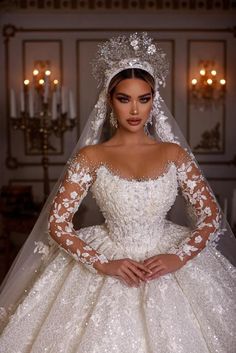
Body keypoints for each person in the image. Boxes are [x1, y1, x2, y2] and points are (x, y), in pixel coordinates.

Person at [0, 32, 235, 352]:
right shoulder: (91, 157)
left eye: (144, 98)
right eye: (124, 98)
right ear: (110, 100)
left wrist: (178, 258)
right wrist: (103, 263)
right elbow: (57, 224)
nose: (135, 110)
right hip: (108, 255)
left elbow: (210, 215)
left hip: (167, 257)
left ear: (154, 100)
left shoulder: (173, 154)